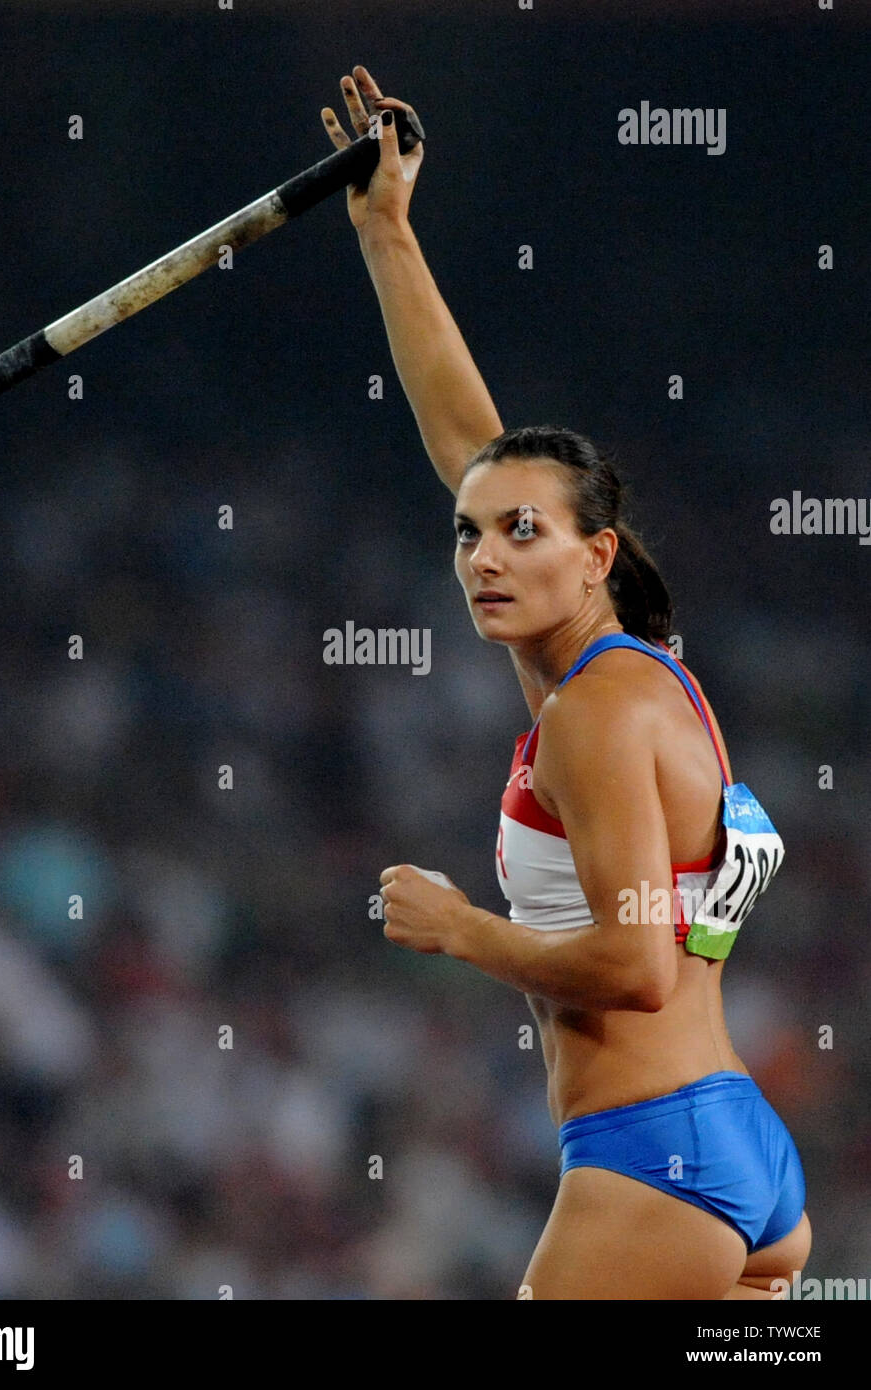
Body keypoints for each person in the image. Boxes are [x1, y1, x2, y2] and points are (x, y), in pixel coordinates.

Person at [321, 66, 810, 1301]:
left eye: (520, 536)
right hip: (736, 1154)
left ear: (594, 556)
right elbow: (466, 443)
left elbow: (641, 966)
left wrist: (462, 929)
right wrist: (387, 232)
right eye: (469, 536)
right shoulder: (627, 677)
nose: (483, 555)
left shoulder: (594, 712)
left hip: (657, 1160)